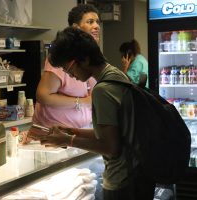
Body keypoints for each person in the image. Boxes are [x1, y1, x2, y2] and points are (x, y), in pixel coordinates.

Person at [32, 27, 156, 200]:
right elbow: (116, 133)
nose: (70, 75)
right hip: (137, 175)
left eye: (68, 68)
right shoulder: (116, 75)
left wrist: (67, 140)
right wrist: (73, 131)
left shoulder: (103, 90)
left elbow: (111, 147)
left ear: (84, 59)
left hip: (122, 181)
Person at [32, 4, 100, 129]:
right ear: (76, 28)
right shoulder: (64, 56)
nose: (96, 26)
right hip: (55, 133)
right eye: (90, 22)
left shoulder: (91, 56)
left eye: (97, 22)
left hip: (81, 130)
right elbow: (43, 96)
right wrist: (82, 102)